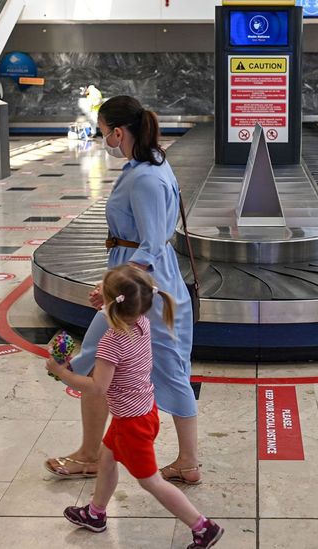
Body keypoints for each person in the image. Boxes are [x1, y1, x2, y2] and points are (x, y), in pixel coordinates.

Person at [45, 95, 202, 486]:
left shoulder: (147, 176)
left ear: (118, 132)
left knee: (170, 367)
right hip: (133, 283)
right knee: (98, 359)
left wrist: (111, 284)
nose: (103, 141)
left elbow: (150, 244)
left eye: (103, 134)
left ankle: (187, 461)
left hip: (144, 290)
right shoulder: (149, 165)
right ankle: (90, 454)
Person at [46, 266, 223, 549]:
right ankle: (96, 513)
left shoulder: (110, 343)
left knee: (151, 481)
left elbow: (97, 388)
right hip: (143, 410)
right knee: (106, 458)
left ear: (110, 302)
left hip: (131, 423)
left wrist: (62, 372)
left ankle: (202, 527)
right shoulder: (142, 322)